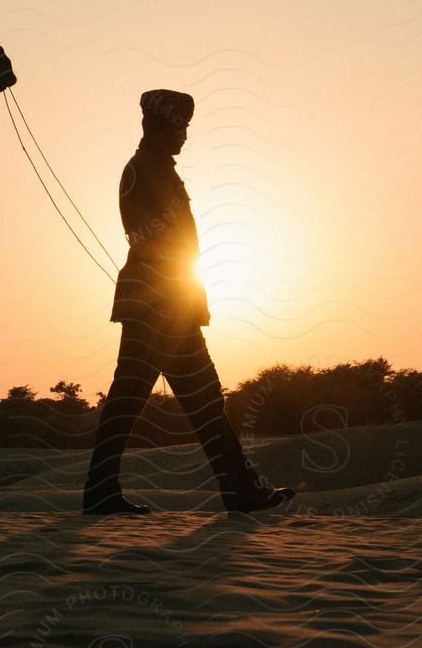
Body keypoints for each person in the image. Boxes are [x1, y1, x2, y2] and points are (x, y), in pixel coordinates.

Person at [83, 89, 293, 516]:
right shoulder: (149, 169)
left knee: (143, 401)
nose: (184, 137)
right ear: (162, 126)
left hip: (158, 302)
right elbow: (164, 240)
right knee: (201, 400)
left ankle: (102, 492)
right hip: (163, 305)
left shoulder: (151, 168)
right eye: (181, 128)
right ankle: (240, 492)